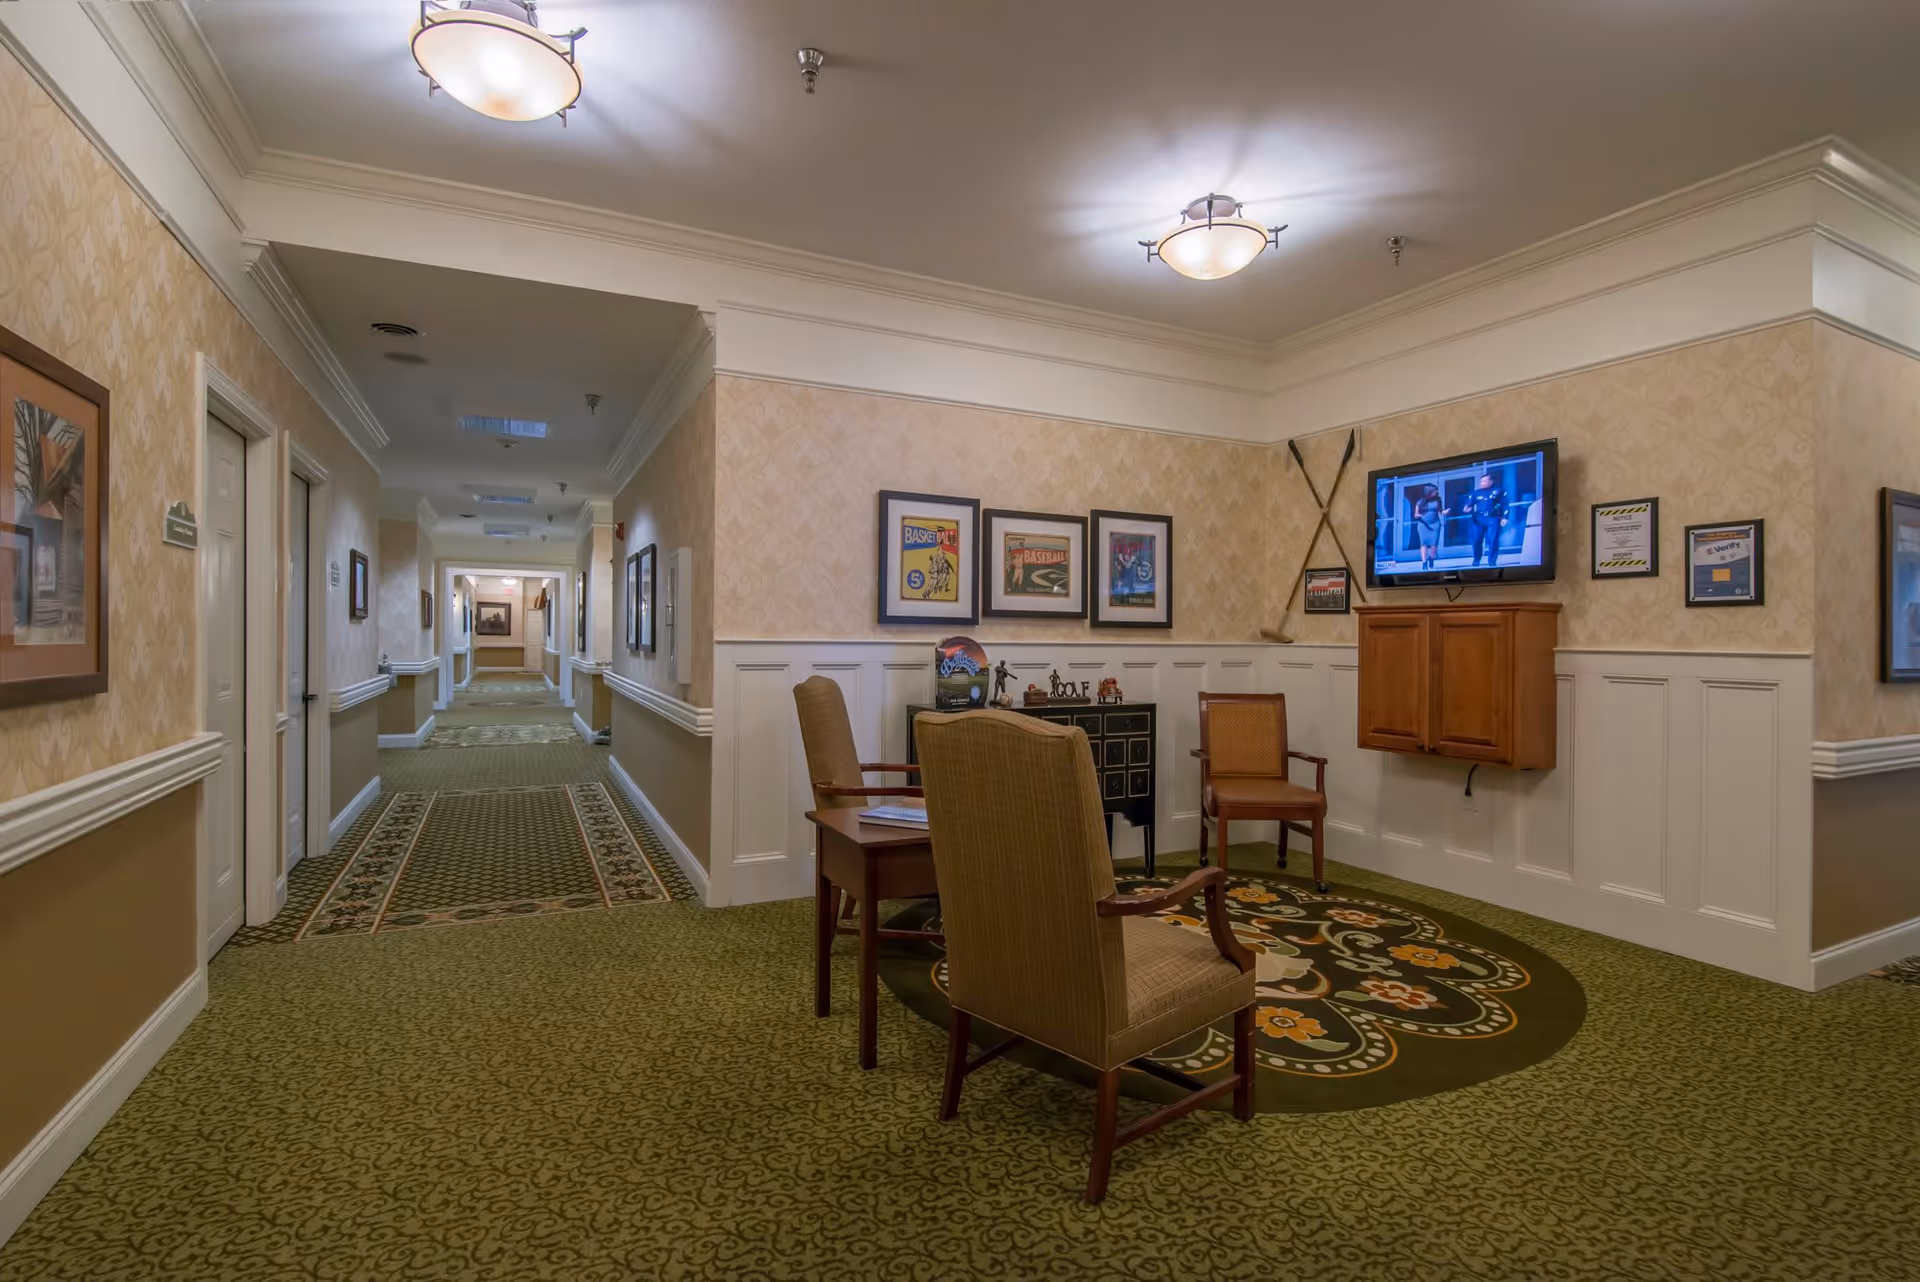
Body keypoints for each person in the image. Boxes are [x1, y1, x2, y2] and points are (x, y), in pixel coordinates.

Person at [1453, 472, 1508, 567]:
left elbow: (1505, 505)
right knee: (1476, 540)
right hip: (1478, 519)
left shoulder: (1498, 491)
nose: (1482, 483)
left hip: (1493, 518)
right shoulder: (1475, 493)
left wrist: (1505, 517)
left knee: (1493, 540)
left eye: (1484, 481)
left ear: (1490, 481)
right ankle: (1476, 559)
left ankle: (1492, 560)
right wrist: (1466, 509)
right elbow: (1467, 505)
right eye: (1481, 481)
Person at [1413, 485, 1443, 570]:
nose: (1436, 492)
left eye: (1436, 491)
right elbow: (1415, 514)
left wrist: (1444, 512)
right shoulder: (1420, 501)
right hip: (1423, 524)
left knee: (1434, 544)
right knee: (1424, 543)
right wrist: (1418, 515)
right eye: (1434, 491)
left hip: (1435, 524)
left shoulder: (1438, 500)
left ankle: (1432, 559)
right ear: (1429, 492)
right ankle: (1424, 562)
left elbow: (1440, 511)